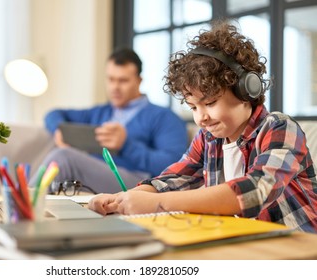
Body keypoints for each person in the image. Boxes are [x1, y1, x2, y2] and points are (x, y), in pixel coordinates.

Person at [88, 21, 317, 233]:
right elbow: (174, 178)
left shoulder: (279, 128)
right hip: (245, 243)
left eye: (209, 103)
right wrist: (123, 198)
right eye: (193, 107)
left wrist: (156, 204)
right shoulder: (209, 138)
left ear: (246, 92)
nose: (201, 118)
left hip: (301, 247)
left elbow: (255, 191)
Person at [33, 48, 188, 194]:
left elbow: (174, 166)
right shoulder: (101, 112)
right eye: (111, 79)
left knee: (64, 157)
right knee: (62, 156)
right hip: (96, 176)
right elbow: (53, 114)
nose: (115, 87)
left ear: (139, 81)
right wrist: (58, 130)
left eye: (123, 81)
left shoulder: (163, 117)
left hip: (138, 182)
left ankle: (21, 204)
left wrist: (125, 146)